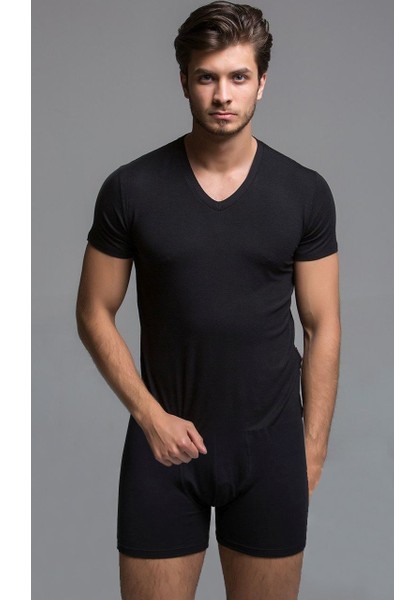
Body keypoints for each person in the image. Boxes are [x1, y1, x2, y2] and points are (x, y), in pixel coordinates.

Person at [76, 1, 341, 598]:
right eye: (207, 77)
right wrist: (149, 417)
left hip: (270, 448)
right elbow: (93, 310)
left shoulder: (303, 192)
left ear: (261, 82)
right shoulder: (131, 188)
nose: (223, 95)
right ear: (184, 82)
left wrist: (313, 447)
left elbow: (322, 324)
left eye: (238, 77)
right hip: (163, 448)